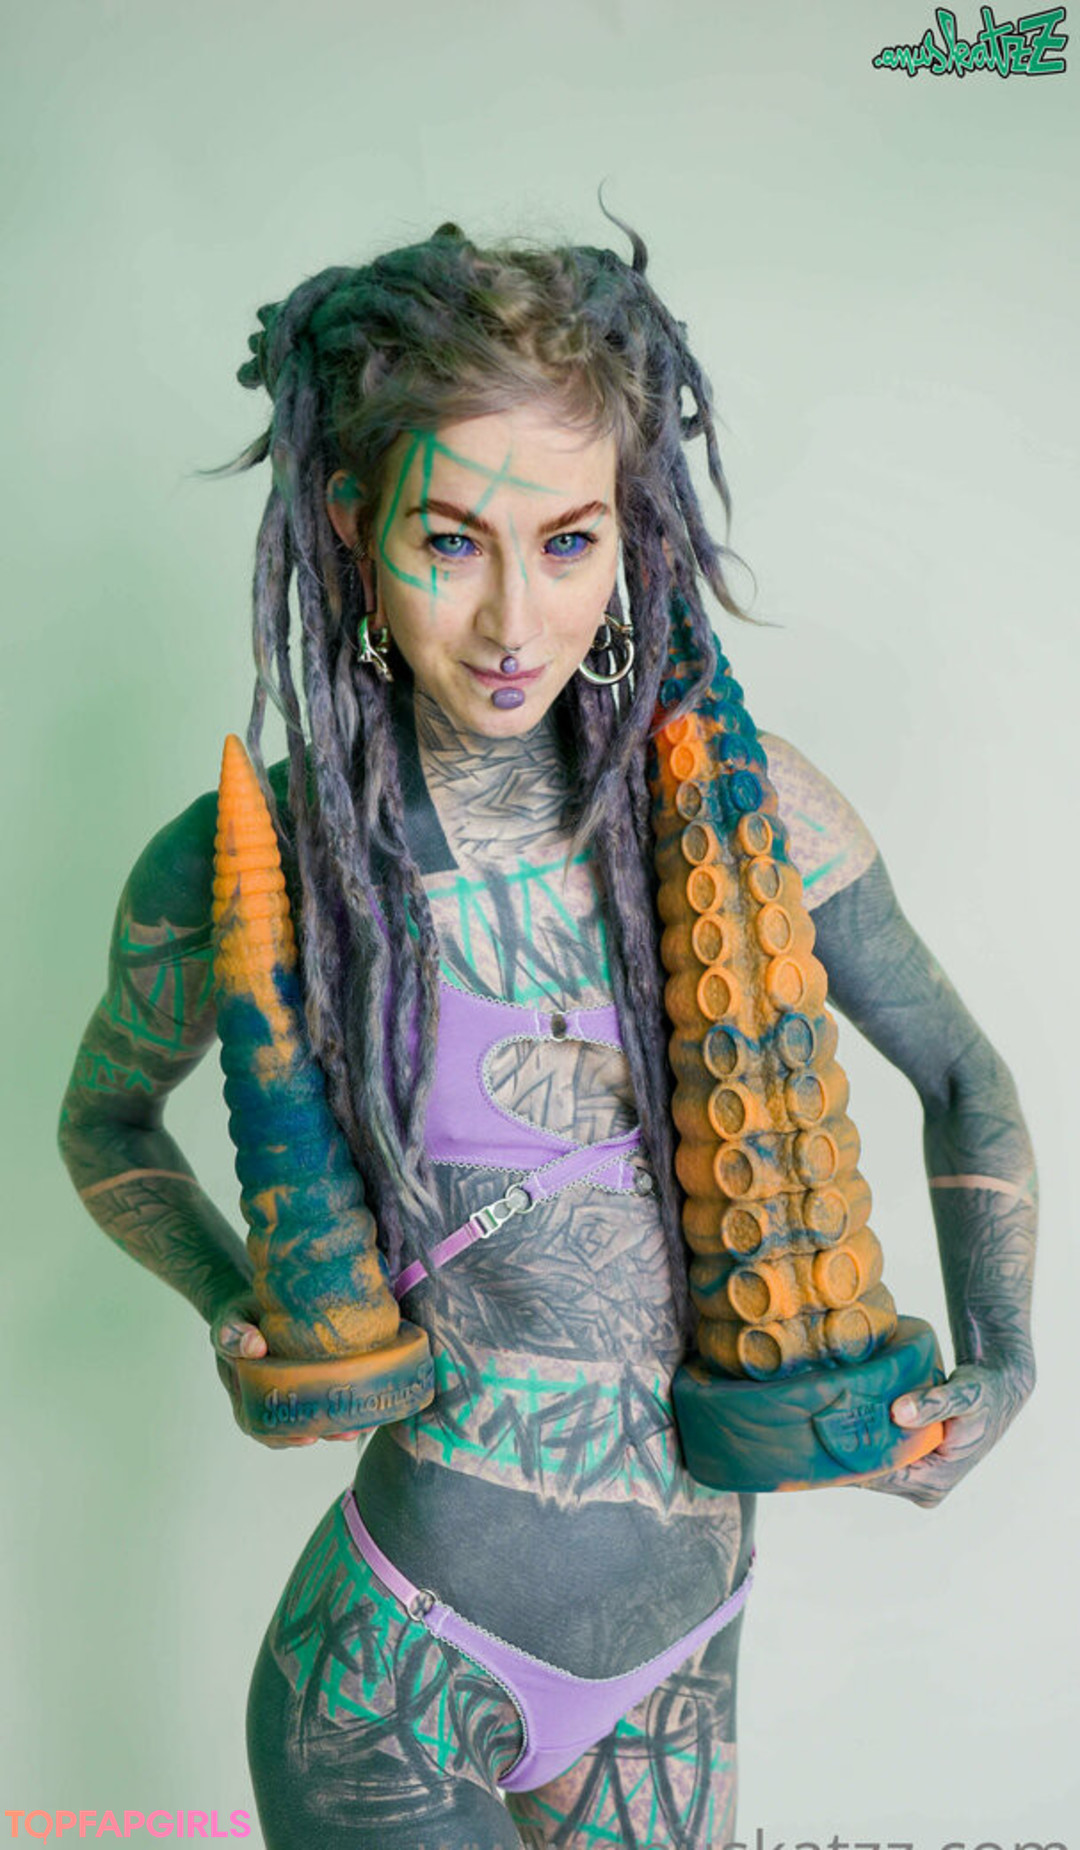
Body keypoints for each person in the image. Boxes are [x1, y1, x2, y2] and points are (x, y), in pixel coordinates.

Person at [57, 220, 1037, 1850]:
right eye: (452, 541)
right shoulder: (258, 864)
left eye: (569, 540)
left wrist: (1001, 1362)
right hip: (394, 1679)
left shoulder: (745, 815)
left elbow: (960, 1076)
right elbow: (104, 1119)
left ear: (628, 531)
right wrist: (240, 1302)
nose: (517, 619)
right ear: (352, 526)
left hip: (678, 1663)